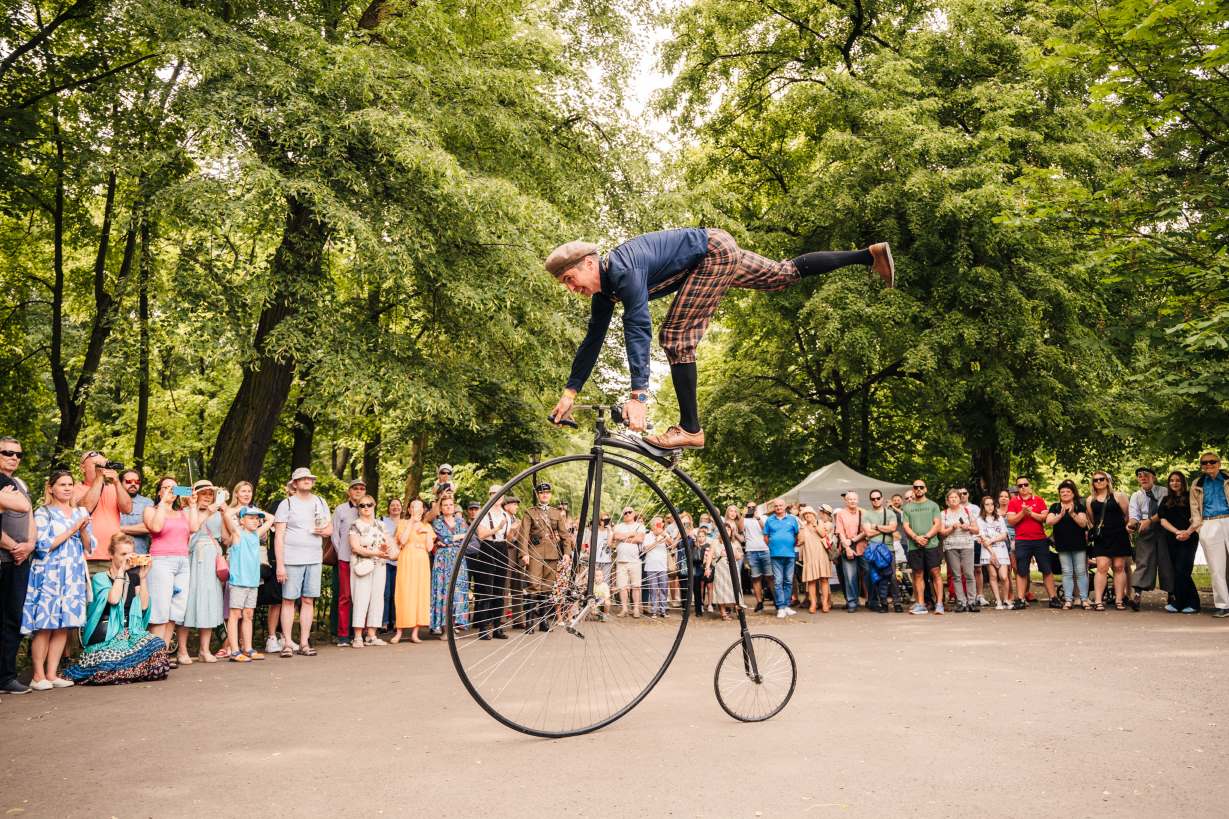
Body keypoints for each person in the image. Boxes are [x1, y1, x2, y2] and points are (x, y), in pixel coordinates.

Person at [545, 229, 894, 449]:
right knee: (782, 274)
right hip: (716, 246)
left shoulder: (622, 269)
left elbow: (638, 324)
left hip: (712, 254)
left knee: (676, 337)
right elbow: (593, 340)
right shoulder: (605, 294)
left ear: (590, 264)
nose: (572, 289)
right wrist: (569, 392)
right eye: (566, 284)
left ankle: (690, 428)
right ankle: (870, 255)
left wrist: (638, 396)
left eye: (571, 279)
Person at [63, 533, 171, 684]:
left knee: (158, 645)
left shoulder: (134, 578)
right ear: (111, 555)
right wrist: (121, 571)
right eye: (123, 554)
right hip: (106, 638)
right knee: (110, 661)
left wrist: (143, 578)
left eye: (130, 554)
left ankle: (127, 670)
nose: (127, 558)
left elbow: (144, 606)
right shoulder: (100, 578)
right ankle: (130, 670)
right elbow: (113, 599)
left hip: (129, 635)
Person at [23, 470, 93, 690]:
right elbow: (43, 545)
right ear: (51, 488)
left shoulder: (80, 511)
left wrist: (82, 531)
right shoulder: (43, 513)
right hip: (49, 574)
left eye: (70, 484)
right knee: (45, 624)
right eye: (62, 484)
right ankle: (38, 675)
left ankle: (52, 674)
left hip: (72, 573)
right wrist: (73, 528)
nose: (67, 488)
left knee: (64, 625)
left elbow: (89, 546)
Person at [273, 467, 332, 657]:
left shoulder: (320, 502)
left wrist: (324, 532)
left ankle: (305, 642)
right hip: (292, 559)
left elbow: (329, 528)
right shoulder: (287, 504)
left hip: (314, 558)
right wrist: (280, 565)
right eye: (302, 479)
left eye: (309, 478)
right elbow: (279, 535)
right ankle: (288, 643)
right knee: (288, 600)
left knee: (308, 600)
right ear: (295, 484)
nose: (307, 481)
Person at [143, 476, 192, 663]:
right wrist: (163, 502)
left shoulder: (182, 513)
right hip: (161, 560)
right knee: (160, 609)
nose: (171, 491)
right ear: (159, 492)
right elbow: (155, 527)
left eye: (174, 488)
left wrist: (193, 504)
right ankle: (153, 656)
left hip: (182, 561)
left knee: (175, 610)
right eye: (166, 487)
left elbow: (194, 527)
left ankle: (162, 654)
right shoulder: (151, 510)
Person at [0, 437, 35, 695]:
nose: (13, 458)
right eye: (7, 453)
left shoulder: (19, 483)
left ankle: (7, 676)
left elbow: (29, 512)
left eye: (18, 455)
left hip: (21, 558)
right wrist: (13, 546)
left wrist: (30, 544)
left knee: (14, 618)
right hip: (5, 556)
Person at [183, 480, 230, 663]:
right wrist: (207, 511)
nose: (208, 497)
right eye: (204, 494)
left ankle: (204, 649)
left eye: (211, 494)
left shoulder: (217, 514)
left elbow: (226, 538)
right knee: (188, 601)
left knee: (211, 602)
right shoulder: (186, 513)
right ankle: (183, 651)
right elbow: (190, 532)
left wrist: (224, 513)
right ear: (195, 496)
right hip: (193, 557)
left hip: (212, 558)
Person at [516, 483, 570, 632]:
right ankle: (529, 623)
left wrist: (566, 553)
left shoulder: (556, 513)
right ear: (538, 495)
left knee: (547, 589)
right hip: (535, 553)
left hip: (552, 555)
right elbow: (523, 535)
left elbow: (565, 535)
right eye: (542, 493)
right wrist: (524, 553)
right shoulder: (530, 512)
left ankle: (544, 622)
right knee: (533, 586)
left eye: (547, 492)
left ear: (550, 495)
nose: (545, 495)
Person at [226, 506, 272, 661]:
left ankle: (248, 648)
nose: (255, 521)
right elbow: (227, 514)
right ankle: (234, 651)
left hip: (253, 582)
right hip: (239, 581)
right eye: (250, 517)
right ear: (242, 520)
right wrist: (240, 508)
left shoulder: (256, 535)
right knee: (235, 615)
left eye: (257, 518)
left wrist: (256, 510)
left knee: (248, 615)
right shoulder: (238, 533)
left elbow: (271, 518)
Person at [73, 451, 132, 565]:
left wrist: (117, 482)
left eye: (103, 464)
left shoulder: (113, 488)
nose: (101, 468)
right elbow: (86, 508)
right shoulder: (75, 489)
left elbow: (127, 509)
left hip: (114, 556)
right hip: (88, 556)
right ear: (82, 468)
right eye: (96, 465)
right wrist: (99, 478)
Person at [1007, 476, 1057, 609]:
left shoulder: (1039, 500)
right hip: (1022, 541)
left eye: (1025, 484)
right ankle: (1021, 599)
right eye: (1020, 486)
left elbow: (1045, 518)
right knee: (1021, 571)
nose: (1023, 487)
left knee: (1046, 570)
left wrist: (1030, 513)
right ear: (1017, 488)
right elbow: (1011, 521)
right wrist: (1022, 513)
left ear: (1030, 486)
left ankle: (1053, 598)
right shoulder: (1013, 502)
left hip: (1040, 539)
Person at [1190, 452, 1229, 617]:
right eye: (1204, 463)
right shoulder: (1197, 483)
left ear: (1219, 463)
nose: (1208, 465)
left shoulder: (1227, 478)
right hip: (1209, 523)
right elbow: (1194, 508)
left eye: (1212, 462)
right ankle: (1223, 605)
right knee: (1216, 568)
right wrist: (1200, 528)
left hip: (1228, 519)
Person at [1086, 470, 1132, 611]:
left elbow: (1126, 515)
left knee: (1119, 567)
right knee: (1102, 567)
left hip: (1119, 535)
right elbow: (1092, 519)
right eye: (1096, 480)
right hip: (1102, 537)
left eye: (1101, 479)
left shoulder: (1119, 496)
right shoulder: (1090, 500)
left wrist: (1121, 528)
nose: (1099, 482)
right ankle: (1098, 600)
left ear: (1107, 481)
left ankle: (1119, 599)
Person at [473, 485, 514, 640]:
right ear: (490, 495)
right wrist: (498, 527)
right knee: (486, 590)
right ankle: (483, 628)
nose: (497, 497)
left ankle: (497, 627)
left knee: (499, 589)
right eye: (494, 494)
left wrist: (512, 532)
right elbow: (481, 535)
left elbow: (508, 536)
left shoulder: (506, 514)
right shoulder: (483, 513)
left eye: (500, 494)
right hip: (488, 548)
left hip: (502, 547)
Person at [348, 494, 389, 647]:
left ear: (374, 505)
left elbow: (385, 544)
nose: (366, 508)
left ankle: (372, 635)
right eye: (362, 505)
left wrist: (385, 549)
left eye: (369, 504)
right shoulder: (355, 525)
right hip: (362, 565)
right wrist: (374, 553)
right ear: (358, 508)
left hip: (379, 564)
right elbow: (355, 547)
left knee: (377, 598)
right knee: (361, 598)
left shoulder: (381, 525)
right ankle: (358, 636)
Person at [330, 478, 366, 647]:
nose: (358, 491)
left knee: (362, 596)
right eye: (355, 488)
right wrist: (340, 554)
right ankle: (343, 635)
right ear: (349, 491)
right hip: (345, 558)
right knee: (345, 597)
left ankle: (360, 633)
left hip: (363, 560)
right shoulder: (340, 510)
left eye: (361, 488)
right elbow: (334, 535)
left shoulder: (367, 509)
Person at [1128, 466, 1171, 610]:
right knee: (1143, 562)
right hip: (1145, 529)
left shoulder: (1164, 491)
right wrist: (1131, 524)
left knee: (1166, 562)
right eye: (1140, 476)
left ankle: (1172, 595)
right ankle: (1137, 596)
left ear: (1154, 477)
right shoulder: (1136, 495)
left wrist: (1150, 521)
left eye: (1146, 475)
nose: (1143, 478)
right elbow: (1134, 515)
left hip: (1164, 526)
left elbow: (1164, 511)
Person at [1156, 471, 1199, 614]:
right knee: (1177, 571)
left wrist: (1187, 532)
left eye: (1178, 480)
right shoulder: (1166, 500)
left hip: (1190, 537)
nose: (1175, 483)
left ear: (1183, 482)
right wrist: (1177, 532)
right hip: (1172, 538)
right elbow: (1162, 520)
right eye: (1172, 480)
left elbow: (1198, 516)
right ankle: (1186, 602)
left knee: (1183, 570)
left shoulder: (1190, 498)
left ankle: (1185, 603)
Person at [392, 498, 433, 644]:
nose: (417, 509)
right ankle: (399, 631)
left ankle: (415, 633)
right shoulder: (403, 523)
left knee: (419, 595)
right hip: (407, 559)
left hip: (422, 562)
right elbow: (402, 541)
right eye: (414, 507)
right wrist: (411, 523)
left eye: (420, 507)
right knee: (404, 593)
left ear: (423, 510)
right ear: (409, 509)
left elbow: (429, 548)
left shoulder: (427, 526)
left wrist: (426, 533)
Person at [1046, 479, 1091, 610]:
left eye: (1068, 491)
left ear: (1073, 493)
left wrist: (1072, 514)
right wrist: (1060, 515)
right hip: (1062, 545)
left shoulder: (1079, 506)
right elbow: (1049, 522)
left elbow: (1083, 523)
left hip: (1078, 544)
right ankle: (1068, 600)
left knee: (1081, 572)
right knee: (1066, 572)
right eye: (1062, 492)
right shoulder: (1055, 506)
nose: (1065, 493)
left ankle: (1084, 599)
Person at [902, 480, 943, 615]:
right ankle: (921, 604)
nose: (918, 489)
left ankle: (939, 604)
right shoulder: (907, 507)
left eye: (921, 487)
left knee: (935, 573)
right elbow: (906, 526)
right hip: (915, 546)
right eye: (916, 487)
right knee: (918, 574)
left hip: (931, 545)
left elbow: (937, 524)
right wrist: (916, 537)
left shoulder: (933, 505)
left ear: (925, 489)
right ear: (913, 489)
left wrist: (926, 537)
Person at [430, 495, 469, 634]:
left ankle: (454, 625)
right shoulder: (437, 522)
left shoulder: (460, 521)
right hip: (443, 560)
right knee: (443, 592)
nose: (448, 507)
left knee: (458, 591)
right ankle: (445, 628)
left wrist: (449, 540)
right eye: (445, 505)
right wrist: (456, 538)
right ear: (441, 508)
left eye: (450, 505)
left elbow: (467, 538)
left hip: (458, 558)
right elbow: (444, 538)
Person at [939, 490, 979, 612]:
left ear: (959, 498)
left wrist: (968, 527)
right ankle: (961, 602)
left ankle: (972, 601)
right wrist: (952, 528)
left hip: (967, 545)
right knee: (956, 575)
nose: (953, 499)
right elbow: (941, 533)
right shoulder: (943, 513)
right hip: (951, 546)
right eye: (951, 498)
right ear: (947, 500)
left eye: (955, 497)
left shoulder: (967, 511)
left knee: (969, 573)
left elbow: (976, 530)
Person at [763, 499, 799, 618]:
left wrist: (789, 545)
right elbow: (766, 537)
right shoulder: (769, 520)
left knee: (788, 581)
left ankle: (787, 605)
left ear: (785, 507)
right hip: (775, 555)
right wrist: (773, 546)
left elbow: (796, 535)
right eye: (776, 506)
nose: (778, 507)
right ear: (774, 508)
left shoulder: (792, 519)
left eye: (780, 506)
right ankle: (780, 607)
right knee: (778, 581)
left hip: (790, 554)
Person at [863, 491, 898, 612]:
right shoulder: (867, 514)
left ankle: (897, 603)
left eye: (878, 498)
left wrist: (876, 527)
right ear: (870, 500)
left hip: (888, 548)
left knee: (892, 577)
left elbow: (893, 528)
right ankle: (883, 604)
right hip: (874, 550)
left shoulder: (890, 513)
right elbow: (867, 533)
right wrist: (885, 528)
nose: (875, 500)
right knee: (878, 578)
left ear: (882, 499)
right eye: (873, 499)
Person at [976, 495, 1012, 609]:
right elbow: (983, 539)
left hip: (1001, 549)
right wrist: (992, 554)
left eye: (992, 504)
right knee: (993, 575)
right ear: (983, 506)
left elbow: (1004, 535)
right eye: (987, 504)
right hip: (988, 550)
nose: (990, 507)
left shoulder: (999, 518)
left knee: (1004, 576)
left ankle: (1006, 599)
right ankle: (998, 601)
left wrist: (992, 540)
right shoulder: (979, 520)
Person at [833, 492, 867, 612]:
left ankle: (872, 600)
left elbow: (866, 531)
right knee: (850, 576)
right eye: (850, 499)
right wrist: (847, 547)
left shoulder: (863, 513)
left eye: (854, 499)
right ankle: (852, 602)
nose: (852, 501)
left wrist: (852, 540)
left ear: (858, 500)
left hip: (862, 546)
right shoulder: (841, 514)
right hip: (847, 547)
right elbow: (840, 532)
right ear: (846, 501)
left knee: (868, 573)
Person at [797, 506, 833, 613]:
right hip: (809, 556)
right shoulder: (802, 527)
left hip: (821, 555)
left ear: (814, 514)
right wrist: (802, 528)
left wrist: (815, 525)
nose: (808, 516)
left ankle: (825, 603)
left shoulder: (820, 523)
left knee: (824, 579)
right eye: (806, 514)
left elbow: (823, 534)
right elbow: (800, 541)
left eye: (810, 514)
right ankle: (813, 603)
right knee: (811, 581)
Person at [611, 506, 645, 618]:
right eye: (625, 512)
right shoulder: (619, 526)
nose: (627, 514)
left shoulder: (639, 525)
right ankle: (624, 608)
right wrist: (630, 535)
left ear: (634, 513)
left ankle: (635, 608)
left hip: (635, 560)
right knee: (622, 587)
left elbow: (640, 539)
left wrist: (623, 538)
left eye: (629, 512)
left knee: (636, 586)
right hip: (621, 561)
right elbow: (616, 536)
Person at [741, 503, 772, 612]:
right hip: (751, 551)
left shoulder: (763, 517)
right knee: (755, 577)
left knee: (770, 576)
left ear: (757, 507)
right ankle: (759, 602)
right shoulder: (744, 519)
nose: (751, 509)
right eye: (749, 507)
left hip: (765, 549)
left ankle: (777, 601)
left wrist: (757, 517)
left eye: (753, 507)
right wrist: (743, 516)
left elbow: (766, 529)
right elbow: (740, 529)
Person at [707, 519, 738, 620]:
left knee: (734, 589)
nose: (727, 531)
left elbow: (738, 556)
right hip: (720, 568)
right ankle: (723, 613)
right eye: (724, 530)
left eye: (729, 530)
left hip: (732, 568)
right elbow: (710, 555)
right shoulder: (715, 542)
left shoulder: (733, 543)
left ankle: (738, 611)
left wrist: (733, 554)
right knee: (720, 590)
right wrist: (707, 568)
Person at [118, 469, 154, 555]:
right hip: (114, 557)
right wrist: (136, 528)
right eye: (129, 481)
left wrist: (119, 528)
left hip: (139, 556)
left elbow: (148, 527)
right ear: (119, 483)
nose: (133, 484)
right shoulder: (111, 500)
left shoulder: (147, 503)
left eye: (137, 482)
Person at [381, 497, 402, 631]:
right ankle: (384, 622)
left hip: (401, 562)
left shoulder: (405, 522)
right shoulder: (382, 521)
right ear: (389, 508)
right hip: (386, 561)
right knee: (385, 593)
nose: (395, 507)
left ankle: (395, 621)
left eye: (398, 505)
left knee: (397, 593)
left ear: (402, 508)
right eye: (392, 505)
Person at [643, 516, 670, 617]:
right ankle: (654, 610)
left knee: (664, 588)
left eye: (662, 523)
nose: (661, 525)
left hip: (662, 567)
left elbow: (673, 545)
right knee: (653, 589)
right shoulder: (647, 536)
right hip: (651, 567)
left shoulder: (664, 534)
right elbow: (645, 549)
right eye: (658, 524)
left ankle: (663, 610)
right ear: (653, 525)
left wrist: (665, 536)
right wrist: (657, 541)